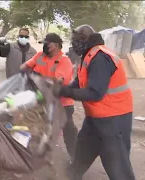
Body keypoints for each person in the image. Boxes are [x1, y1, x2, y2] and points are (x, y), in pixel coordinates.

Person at [52, 25, 135, 180]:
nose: (73, 44)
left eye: (76, 40)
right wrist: (59, 89)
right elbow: (78, 83)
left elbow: (95, 93)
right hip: (94, 120)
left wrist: (64, 92)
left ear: (85, 39)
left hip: (113, 121)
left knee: (118, 169)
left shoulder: (100, 58)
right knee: (79, 159)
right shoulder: (88, 56)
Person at [20, 33, 78, 162]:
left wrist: (39, 79)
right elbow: (25, 67)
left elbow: (59, 81)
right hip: (44, 100)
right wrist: (28, 71)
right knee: (38, 126)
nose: (45, 46)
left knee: (68, 130)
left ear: (56, 45)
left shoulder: (63, 60)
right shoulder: (42, 56)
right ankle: (38, 155)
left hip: (62, 104)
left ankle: (76, 157)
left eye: (47, 44)